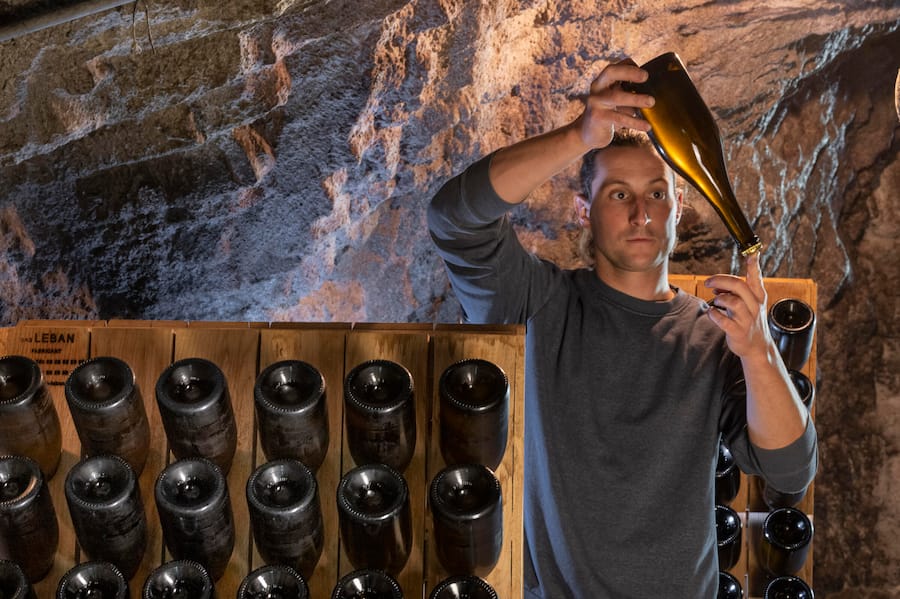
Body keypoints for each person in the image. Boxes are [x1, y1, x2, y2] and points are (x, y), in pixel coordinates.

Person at [427, 60, 817, 597]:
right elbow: (453, 218)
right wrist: (579, 136)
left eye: (656, 193)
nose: (640, 213)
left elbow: (791, 470)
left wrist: (759, 351)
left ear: (678, 207)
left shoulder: (714, 337)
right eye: (618, 194)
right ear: (583, 210)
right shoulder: (540, 303)